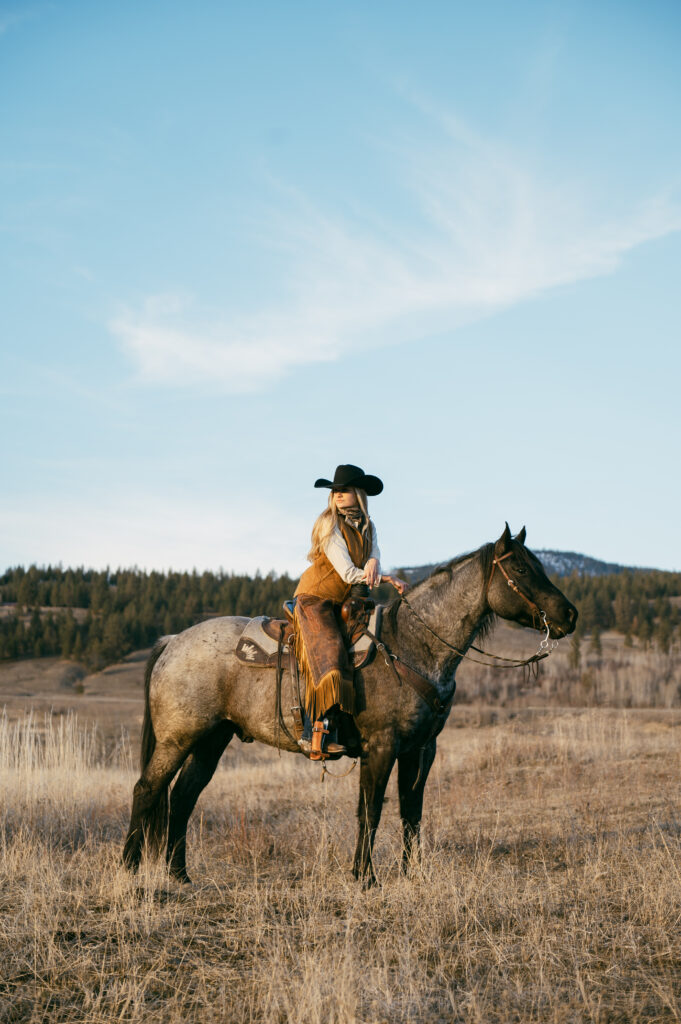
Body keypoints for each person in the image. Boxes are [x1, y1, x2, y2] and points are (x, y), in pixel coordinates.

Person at [293, 464, 407, 760]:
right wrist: (386, 578)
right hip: (316, 598)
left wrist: (374, 563)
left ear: (358, 494)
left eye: (344, 490)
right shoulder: (329, 524)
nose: (338, 495)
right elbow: (347, 573)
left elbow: (374, 554)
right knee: (330, 654)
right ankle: (314, 733)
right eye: (335, 491)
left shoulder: (368, 525)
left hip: (346, 601)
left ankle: (355, 726)